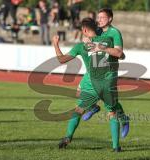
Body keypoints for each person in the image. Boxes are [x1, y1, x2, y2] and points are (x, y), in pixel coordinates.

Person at [53, 17, 126, 152]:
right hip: (108, 82)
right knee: (112, 112)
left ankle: (68, 137)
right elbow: (120, 54)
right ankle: (116, 147)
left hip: (93, 84)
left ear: (85, 30)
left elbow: (61, 59)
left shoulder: (81, 47)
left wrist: (55, 44)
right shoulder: (108, 41)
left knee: (78, 110)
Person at [82, 8, 129, 138]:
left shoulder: (115, 33)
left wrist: (102, 47)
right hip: (96, 69)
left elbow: (119, 53)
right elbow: (88, 43)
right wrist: (86, 40)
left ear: (110, 19)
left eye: (103, 17)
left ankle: (124, 119)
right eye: (99, 17)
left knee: (109, 100)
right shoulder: (97, 31)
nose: (100, 20)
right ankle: (93, 107)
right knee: (81, 90)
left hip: (109, 72)